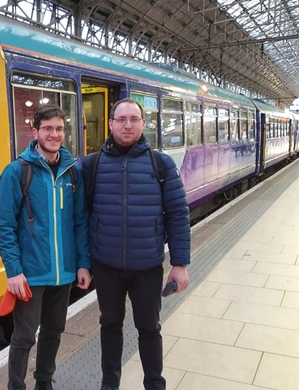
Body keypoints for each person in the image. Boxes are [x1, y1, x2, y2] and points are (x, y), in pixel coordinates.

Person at [81, 98, 191, 390]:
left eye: (133, 119)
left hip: (147, 266)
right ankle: (110, 385)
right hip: (106, 265)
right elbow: (81, 218)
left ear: (143, 124)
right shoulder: (92, 166)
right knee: (110, 325)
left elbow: (178, 215)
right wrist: (83, 262)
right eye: (121, 119)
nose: (127, 125)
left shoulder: (161, 164)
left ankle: (155, 384)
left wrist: (179, 264)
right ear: (111, 124)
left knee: (149, 328)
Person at [0, 104, 92, 390]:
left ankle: (44, 382)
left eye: (59, 129)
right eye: (47, 129)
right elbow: (3, 225)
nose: (54, 134)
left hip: (63, 273)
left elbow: (80, 221)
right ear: (35, 132)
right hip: (31, 273)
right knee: (24, 337)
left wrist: (83, 263)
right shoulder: (16, 172)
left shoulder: (72, 173)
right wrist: (13, 271)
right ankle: (16, 386)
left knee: (54, 331)